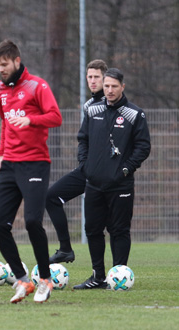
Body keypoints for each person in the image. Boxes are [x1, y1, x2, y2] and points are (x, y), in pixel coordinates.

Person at [0, 39, 62, 303]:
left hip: (35, 162)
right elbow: (5, 123)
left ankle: (45, 279)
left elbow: (56, 117)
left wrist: (31, 119)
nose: (1, 70)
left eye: (4, 64)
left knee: (32, 221)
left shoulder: (37, 85)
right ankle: (22, 279)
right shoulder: (0, 89)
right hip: (9, 163)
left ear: (17, 61)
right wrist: (1, 154)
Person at [73, 68, 150, 289]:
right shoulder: (93, 110)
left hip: (120, 184)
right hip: (94, 183)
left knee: (119, 230)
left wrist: (126, 169)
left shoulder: (134, 114)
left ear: (122, 87)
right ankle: (97, 277)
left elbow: (143, 147)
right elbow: (83, 139)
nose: (109, 90)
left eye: (114, 86)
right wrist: (84, 165)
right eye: (106, 86)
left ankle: (119, 276)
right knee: (93, 230)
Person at [46, 59, 108, 264]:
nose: (92, 81)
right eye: (89, 77)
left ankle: (116, 270)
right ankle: (65, 249)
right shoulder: (89, 106)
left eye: (96, 77)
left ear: (105, 78)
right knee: (51, 197)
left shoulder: (112, 105)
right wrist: (83, 162)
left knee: (109, 224)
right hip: (87, 170)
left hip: (108, 173)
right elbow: (84, 138)